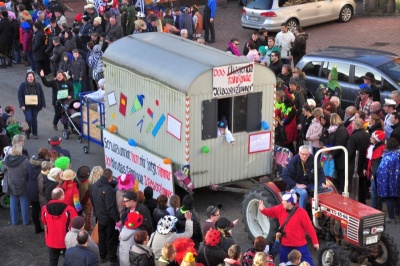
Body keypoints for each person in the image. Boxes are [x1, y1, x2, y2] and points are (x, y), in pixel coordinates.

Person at [258, 190, 318, 266]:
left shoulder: (302, 213)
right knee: (283, 264)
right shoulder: (280, 208)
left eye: (284, 201)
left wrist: (315, 242)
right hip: (286, 244)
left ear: (289, 203)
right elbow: (270, 212)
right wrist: (262, 210)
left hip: (299, 244)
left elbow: (310, 228)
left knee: (309, 264)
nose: (282, 202)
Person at [89, 168, 121, 264]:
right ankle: (112, 258)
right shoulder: (109, 190)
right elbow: (111, 208)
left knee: (102, 236)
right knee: (111, 238)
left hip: (99, 216)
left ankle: (102, 255)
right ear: (110, 178)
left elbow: (92, 201)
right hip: (108, 218)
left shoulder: (93, 186)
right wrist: (117, 219)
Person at [42, 188, 78, 266]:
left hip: (51, 240)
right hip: (66, 239)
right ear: (61, 196)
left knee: (52, 260)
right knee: (68, 260)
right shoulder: (69, 209)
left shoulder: (44, 209)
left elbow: (44, 222)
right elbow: (75, 223)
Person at [1, 144, 30, 226]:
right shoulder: (25, 159)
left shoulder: (7, 160)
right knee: (24, 201)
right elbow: (28, 171)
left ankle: (14, 221)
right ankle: (26, 221)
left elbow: (2, 170)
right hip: (23, 183)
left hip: (11, 184)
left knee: (13, 201)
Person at [376, 138, 400, 223]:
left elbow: (384, 168)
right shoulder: (397, 154)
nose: (384, 146)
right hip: (395, 180)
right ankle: (397, 214)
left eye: (386, 144)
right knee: (396, 197)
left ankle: (391, 217)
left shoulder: (390, 155)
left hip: (388, 180)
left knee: (389, 198)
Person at [346, 118, 370, 203]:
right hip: (364, 161)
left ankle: (356, 200)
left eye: (352, 124)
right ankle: (363, 199)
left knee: (355, 183)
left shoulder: (354, 137)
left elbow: (350, 152)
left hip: (354, 162)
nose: (351, 126)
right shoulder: (367, 135)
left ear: (356, 126)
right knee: (362, 181)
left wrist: (347, 160)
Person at [18, 71, 46, 139]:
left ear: (33, 77)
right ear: (26, 78)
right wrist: (22, 105)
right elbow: (20, 95)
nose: (30, 78)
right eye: (29, 77)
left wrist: (42, 104)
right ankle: (27, 132)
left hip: (35, 106)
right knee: (29, 119)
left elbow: (41, 94)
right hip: (26, 106)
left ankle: (35, 133)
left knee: (34, 120)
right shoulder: (23, 85)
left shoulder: (38, 85)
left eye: (31, 77)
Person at [27, 148, 49, 233]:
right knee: (43, 209)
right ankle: (46, 226)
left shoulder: (30, 163)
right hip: (40, 189)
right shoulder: (44, 166)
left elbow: (26, 176)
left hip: (31, 187)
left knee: (35, 209)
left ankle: (37, 227)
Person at [327, 113, 349, 193]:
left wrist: (333, 154)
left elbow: (339, 144)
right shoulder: (337, 129)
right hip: (338, 155)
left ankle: (342, 190)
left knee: (341, 174)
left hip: (341, 156)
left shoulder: (341, 129)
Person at [364, 130, 385, 211]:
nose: (370, 138)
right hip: (373, 171)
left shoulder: (380, 148)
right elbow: (369, 160)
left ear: (376, 139)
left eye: (372, 137)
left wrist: (374, 174)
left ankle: (375, 207)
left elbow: (377, 162)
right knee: (374, 190)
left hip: (376, 173)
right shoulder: (373, 146)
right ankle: (375, 206)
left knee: (374, 190)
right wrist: (365, 168)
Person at [76, 166, 93, 230]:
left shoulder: (78, 182)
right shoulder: (88, 184)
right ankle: (87, 226)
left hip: (79, 200)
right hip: (86, 202)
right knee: (88, 215)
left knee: (80, 214)